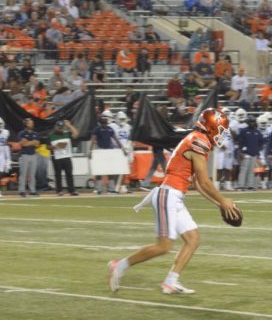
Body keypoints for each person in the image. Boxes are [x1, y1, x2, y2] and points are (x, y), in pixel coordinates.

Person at [109, 108, 241, 295]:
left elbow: (196, 183)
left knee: (193, 239)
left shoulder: (198, 139)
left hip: (175, 196)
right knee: (164, 246)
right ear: (211, 127)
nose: (222, 135)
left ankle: (171, 282)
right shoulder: (199, 141)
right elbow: (204, 181)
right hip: (168, 194)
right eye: (220, 129)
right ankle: (119, 265)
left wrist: (219, 203)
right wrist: (223, 200)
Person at [48, 118, 80, 196]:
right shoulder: (51, 136)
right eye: (59, 127)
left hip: (66, 156)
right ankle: (59, 190)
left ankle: (72, 190)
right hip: (57, 157)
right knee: (58, 175)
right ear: (55, 127)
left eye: (61, 127)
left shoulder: (67, 134)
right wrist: (55, 147)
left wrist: (69, 125)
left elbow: (76, 134)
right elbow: (47, 147)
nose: (60, 128)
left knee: (69, 174)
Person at [15, 117, 40, 197]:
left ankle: (32, 190)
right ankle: (22, 190)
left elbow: (37, 144)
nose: (32, 124)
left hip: (33, 154)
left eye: (32, 123)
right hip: (24, 154)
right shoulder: (22, 133)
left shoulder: (35, 133)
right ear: (26, 124)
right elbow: (22, 144)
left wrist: (28, 142)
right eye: (30, 123)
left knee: (32, 174)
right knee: (23, 174)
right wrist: (32, 142)